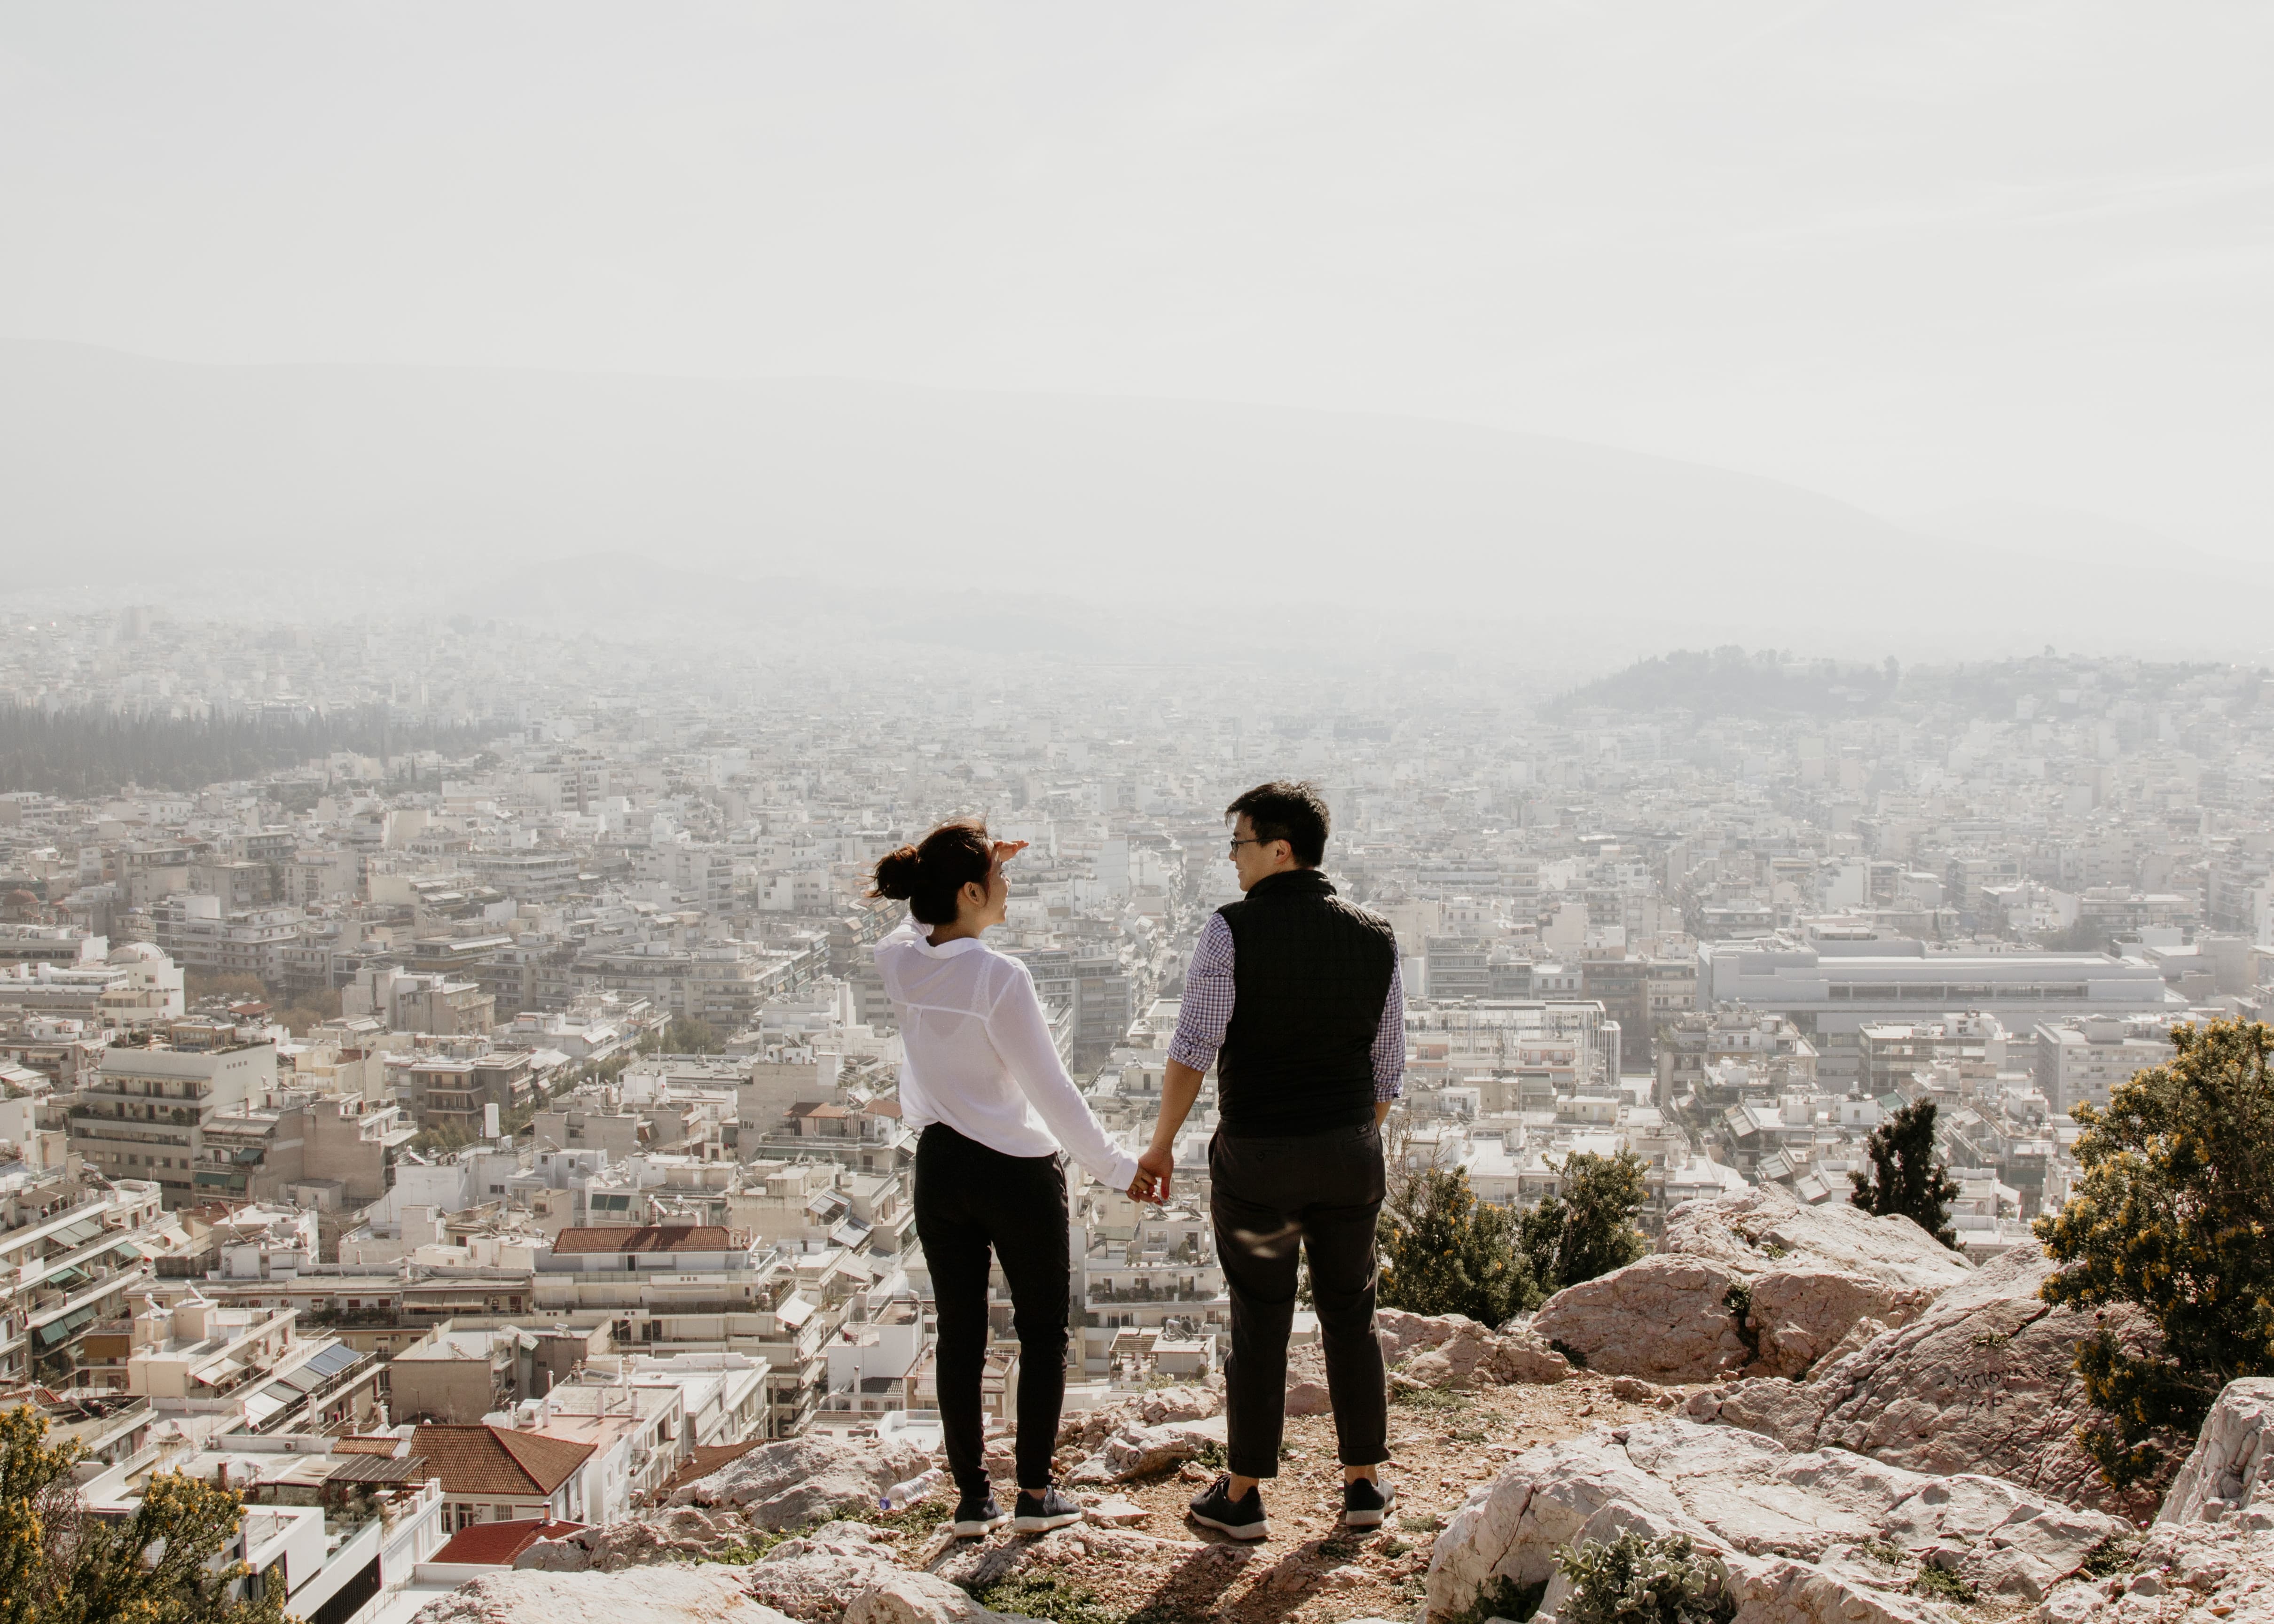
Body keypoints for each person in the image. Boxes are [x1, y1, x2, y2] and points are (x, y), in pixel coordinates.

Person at [1133, 781, 1404, 1541]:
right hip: (1349, 1155)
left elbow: (1193, 1048)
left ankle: (1245, 1493)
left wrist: (1160, 1146)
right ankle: (1363, 1487)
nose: (1232, 859)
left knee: (1262, 1318)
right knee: (1352, 1312)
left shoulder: (1230, 932)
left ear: (1279, 849)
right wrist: (1344, 1135)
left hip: (1258, 1164)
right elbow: (1388, 1071)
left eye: (1240, 844)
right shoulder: (1375, 934)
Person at [872, 820, 1153, 1538]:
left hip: (939, 1167)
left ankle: (972, 1499)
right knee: (1041, 1334)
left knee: (960, 1333)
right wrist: (1118, 1169)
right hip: (1015, 1173)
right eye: (997, 880)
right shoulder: (1001, 977)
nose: (1008, 888)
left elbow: (914, 923)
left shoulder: (898, 963)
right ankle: (1034, 1493)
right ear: (969, 891)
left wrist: (965, 866)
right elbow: (1054, 1092)